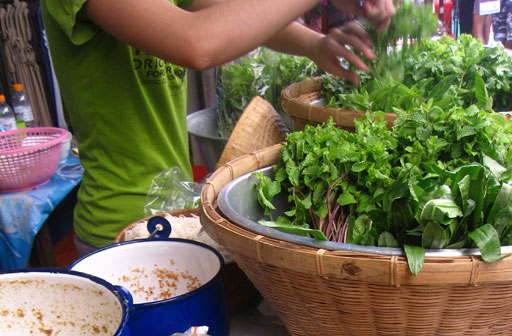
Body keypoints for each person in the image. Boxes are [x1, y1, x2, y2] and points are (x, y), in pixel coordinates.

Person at [40, 0, 394, 254]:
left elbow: (229, 12)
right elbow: (197, 41)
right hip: (117, 229)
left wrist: (314, 44)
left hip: (174, 214)